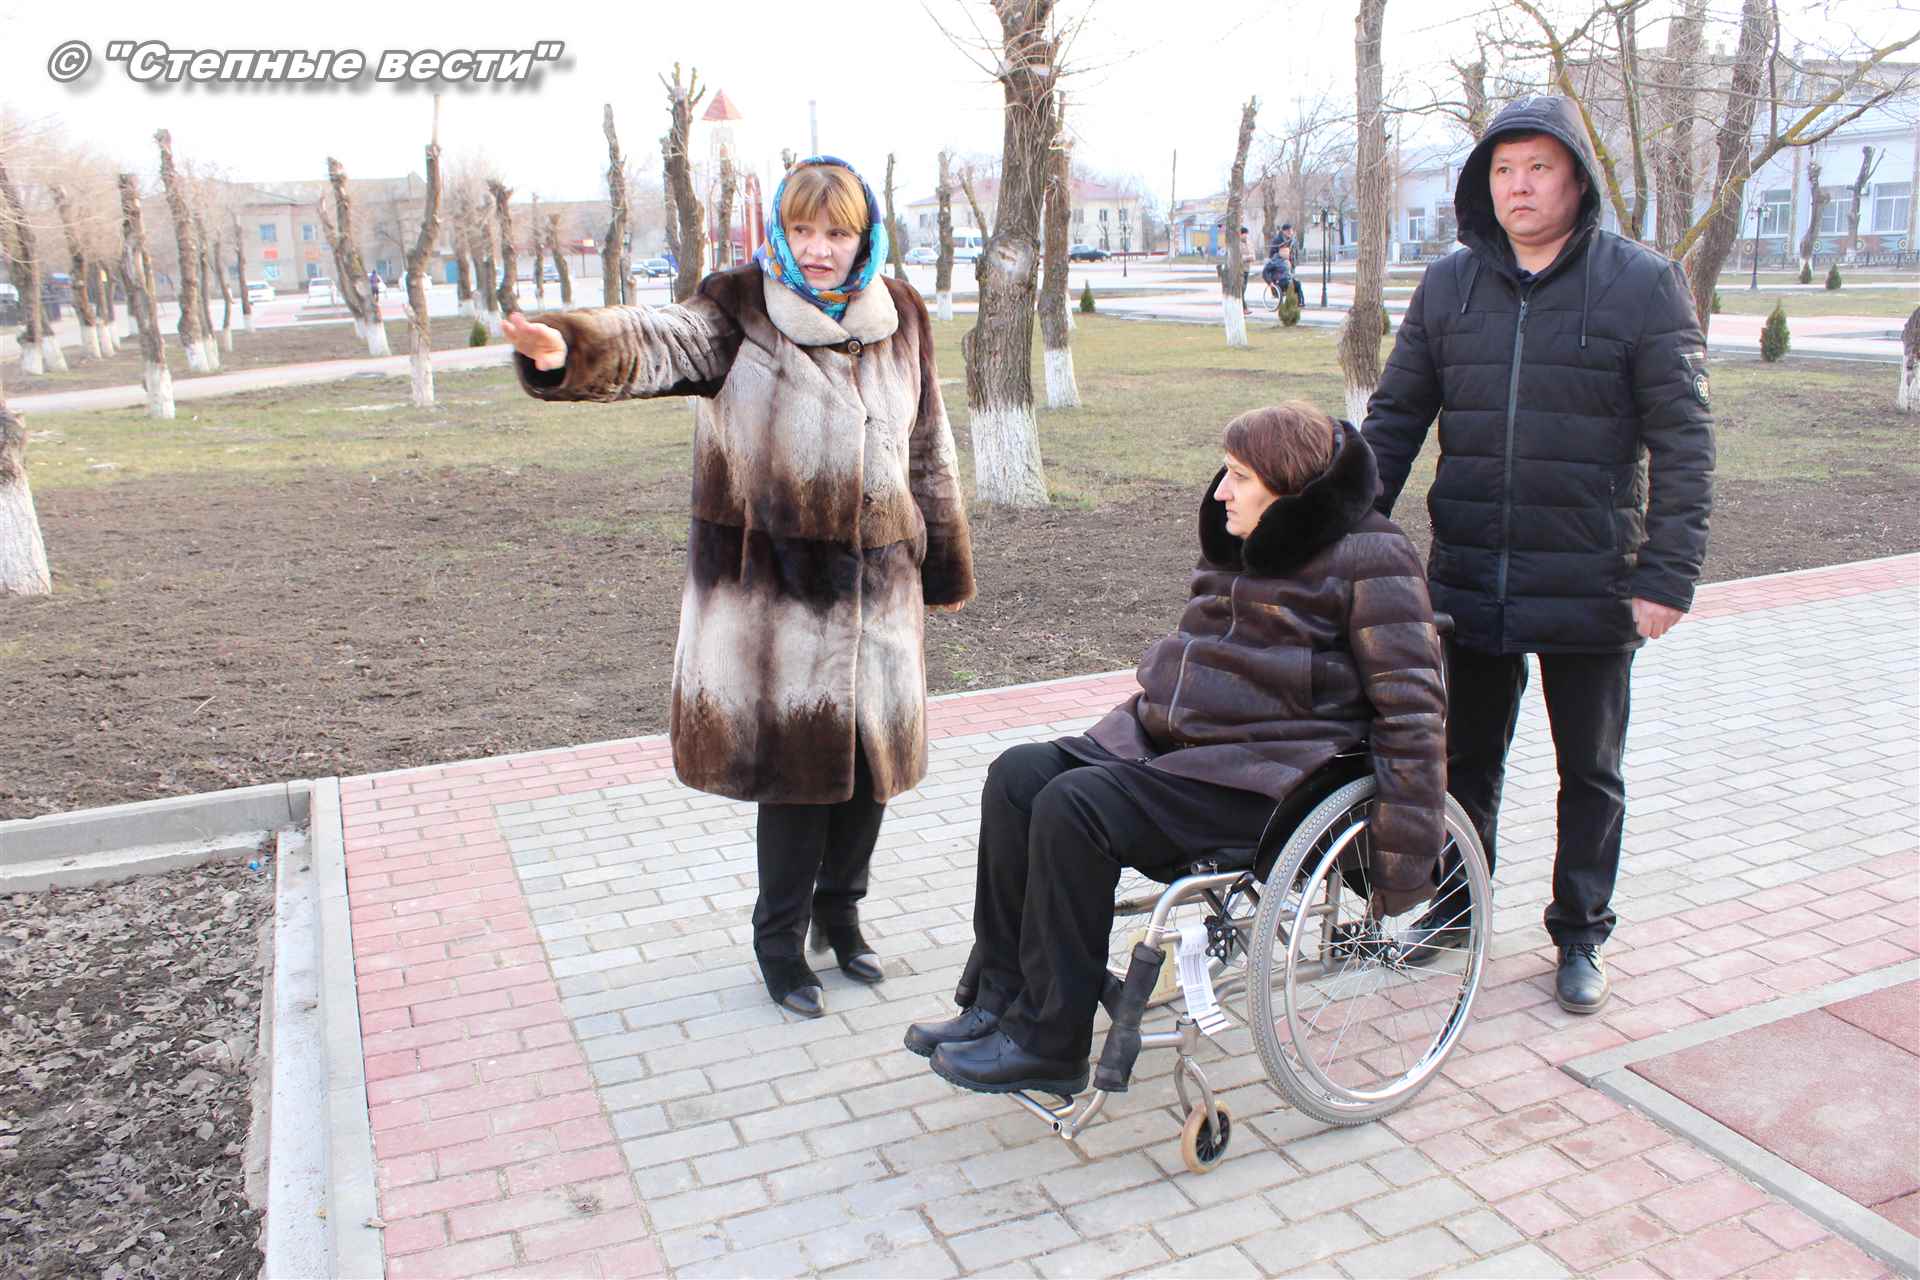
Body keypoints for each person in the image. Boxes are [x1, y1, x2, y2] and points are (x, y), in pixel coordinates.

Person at [502, 158, 976, 1019]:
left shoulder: (902, 313)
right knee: (797, 780)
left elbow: (927, 444)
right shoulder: (740, 307)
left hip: (882, 594)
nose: (818, 248)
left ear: (865, 236)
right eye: (802, 230)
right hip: (778, 603)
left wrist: (941, 559)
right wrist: (570, 348)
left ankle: (842, 915)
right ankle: (779, 943)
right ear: (780, 233)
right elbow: (657, 341)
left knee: (872, 775)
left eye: (836, 232)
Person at [907, 403, 1446, 1095]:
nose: (1221, 492)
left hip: (1271, 778)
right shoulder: (1243, 539)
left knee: (1076, 805)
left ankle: (1049, 1042)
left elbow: (1413, 710)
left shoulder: (1374, 556)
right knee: (1017, 774)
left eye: (1240, 477)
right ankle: (997, 1001)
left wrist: (1403, 860)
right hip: (1182, 750)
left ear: (1288, 485)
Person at [1360, 94, 1714, 1014]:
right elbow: (1394, 422)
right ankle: (1456, 908)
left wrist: (1668, 575)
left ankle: (1581, 932)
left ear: (1577, 179)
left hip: (1592, 579)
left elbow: (1685, 443)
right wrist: (1340, 535)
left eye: (1539, 168)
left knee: (1589, 771)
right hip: (1472, 574)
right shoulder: (1449, 287)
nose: (1519, 187)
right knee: (1463, 759)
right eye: (1504, 170)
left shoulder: (1642, 285)